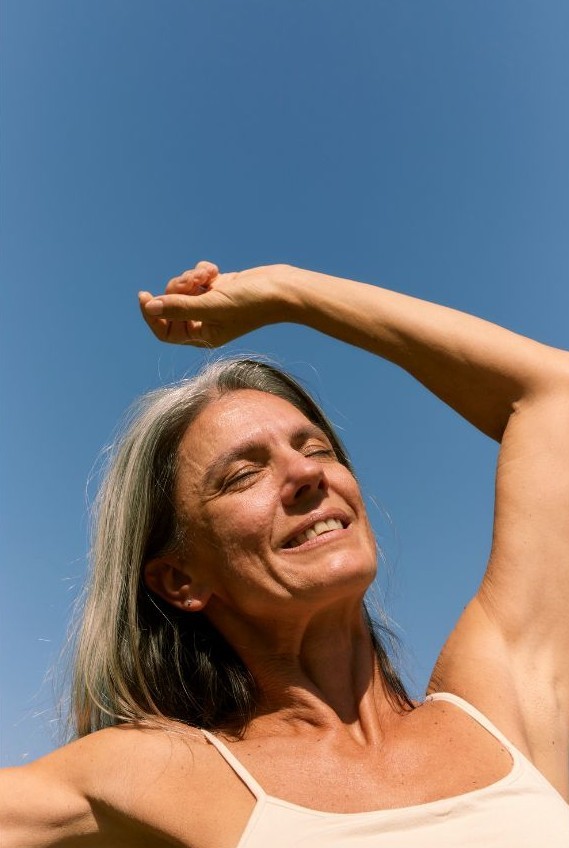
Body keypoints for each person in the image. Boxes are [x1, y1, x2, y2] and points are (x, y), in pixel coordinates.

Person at [1, 261, 568, 846]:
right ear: (180, 580)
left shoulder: (502, 710)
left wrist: (285, 293)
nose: (305, 474)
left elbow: (556, 393)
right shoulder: (152, 773)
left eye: (317, 448)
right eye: (244, 474)